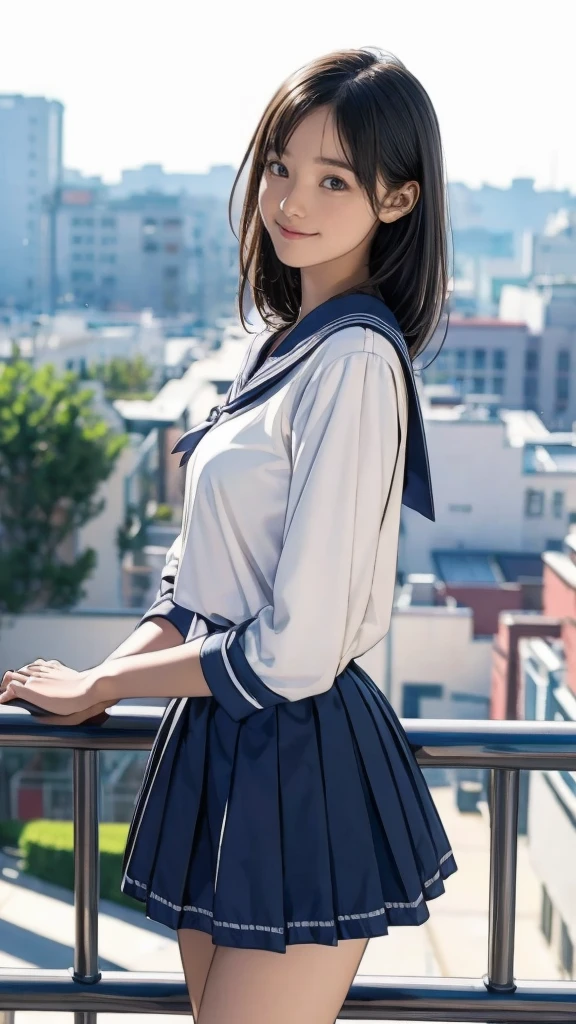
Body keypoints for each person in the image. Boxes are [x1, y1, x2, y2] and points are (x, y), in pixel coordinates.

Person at [1, 47, 457, 1024]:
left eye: (334, 177)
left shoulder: (356, 364)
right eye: (281, 165)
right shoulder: (279, 349)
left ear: (399, 199)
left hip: (298, 751)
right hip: (220, 744)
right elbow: (194, 584)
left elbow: (295, 646)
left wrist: (107, 683)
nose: (291, 197)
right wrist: (96, 679)